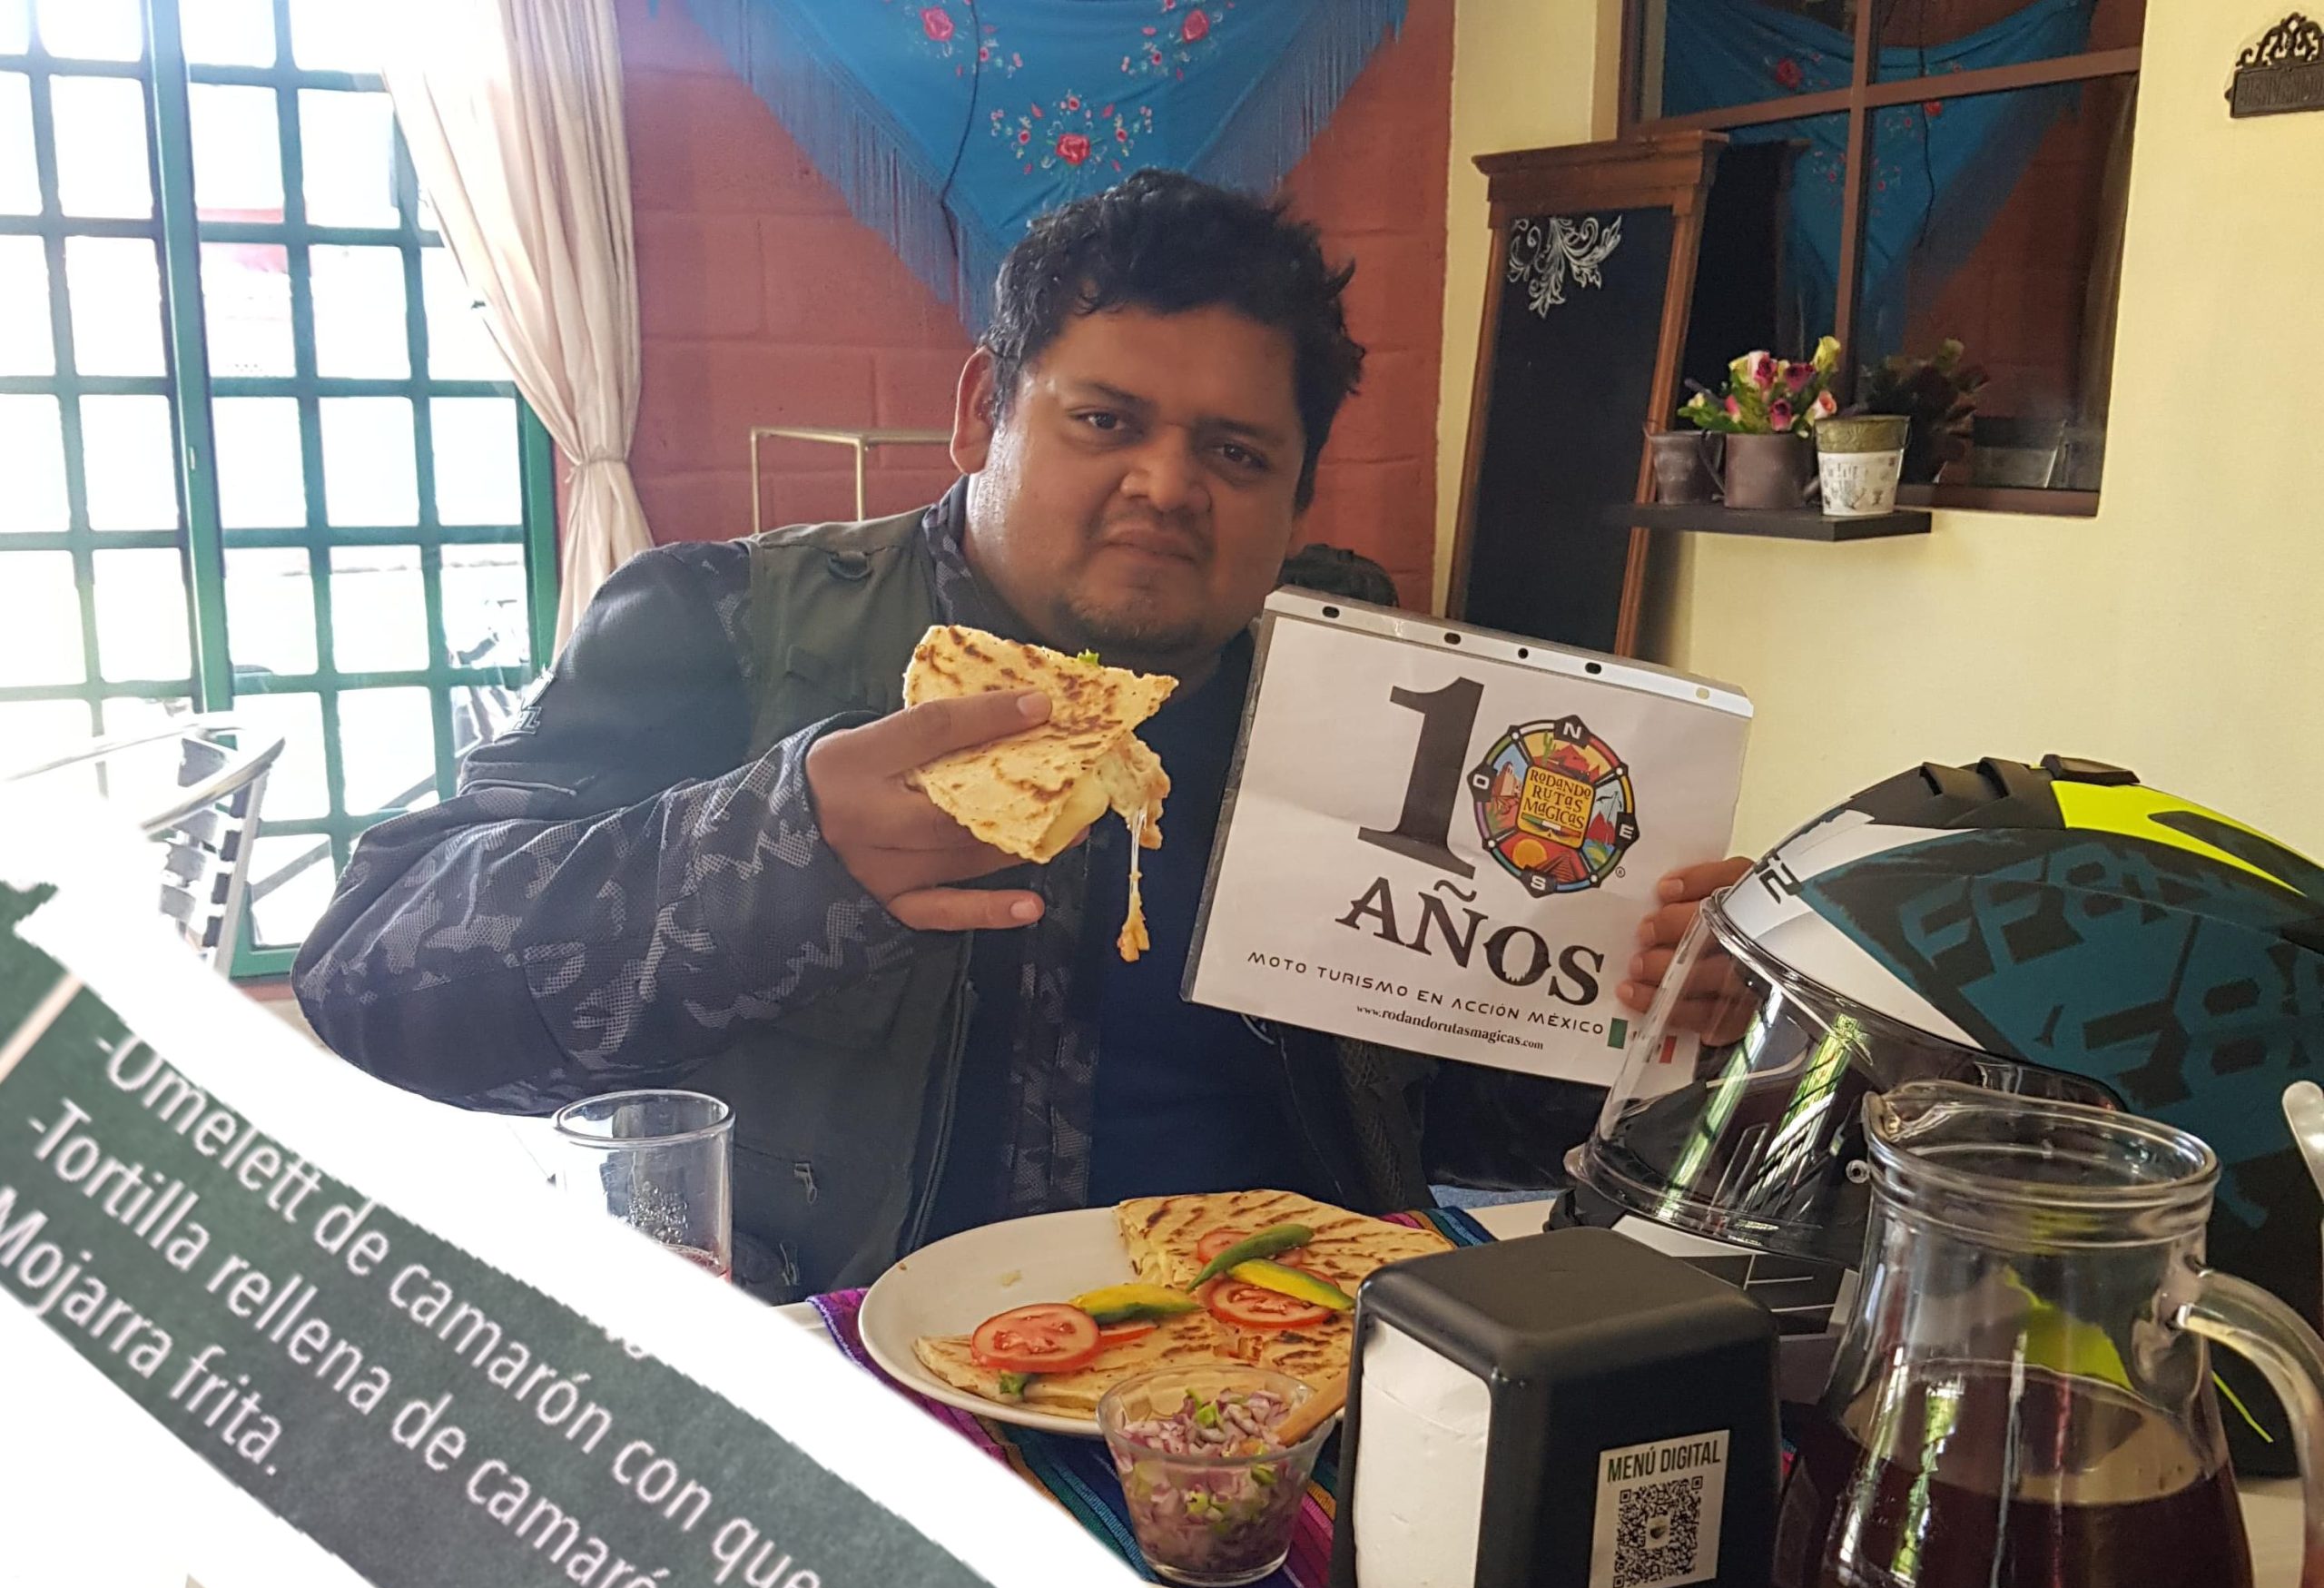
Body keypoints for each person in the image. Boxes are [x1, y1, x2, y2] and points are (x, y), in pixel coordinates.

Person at [292, 172, 1749, 1301]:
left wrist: (1633, 1018)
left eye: (1237, 454)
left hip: (1283, 1381)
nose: (1168, 484)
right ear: (988, 407)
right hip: (855, 1399)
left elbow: (1469, 1136)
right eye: (1106, 419)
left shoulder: (1365, 701)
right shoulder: (723, 628)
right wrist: (780, 848)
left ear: (1299, 499)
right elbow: (370, 974)